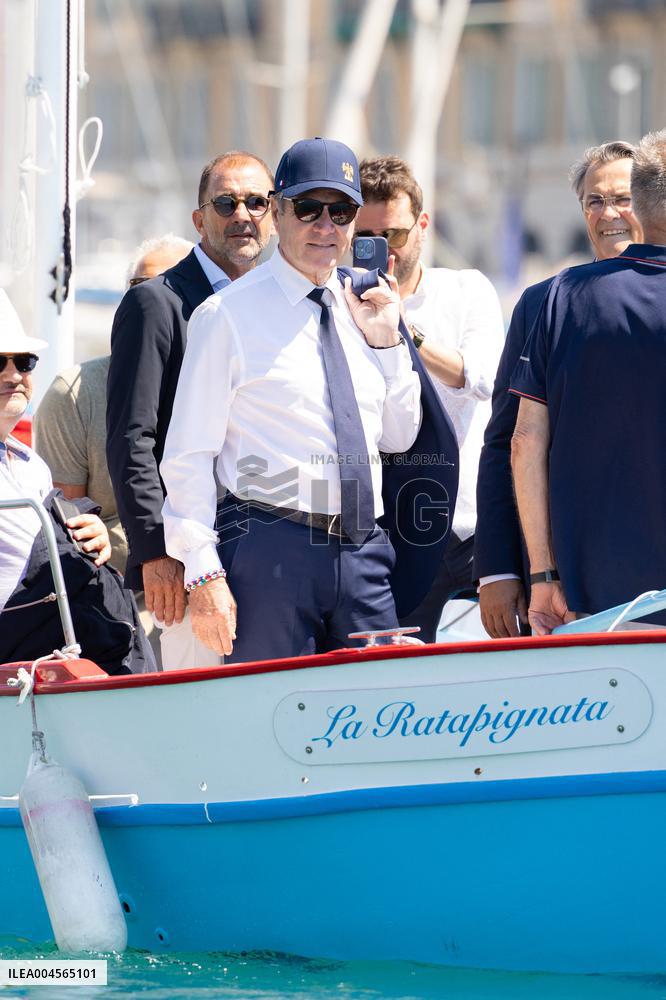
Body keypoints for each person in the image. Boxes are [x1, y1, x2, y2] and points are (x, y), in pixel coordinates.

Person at [160, 136, 423, 663]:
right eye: (308, 208)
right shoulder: (226, 316)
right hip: (268, 547)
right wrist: (204, 571)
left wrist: (389, 342)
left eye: (342, 211)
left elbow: (400, 436)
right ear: (278, 214)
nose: (326, 226)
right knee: (264, 719)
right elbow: (188, 454)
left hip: (363, 550)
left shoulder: (367, 307)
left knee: (380, 714)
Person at [106, 151, 274, 669]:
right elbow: (132, 438)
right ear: (200, 219)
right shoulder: (155, 303)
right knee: (202, 709)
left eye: (256, 202)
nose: (242, 214)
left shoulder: (276, 303)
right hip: (186, 559)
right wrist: (155, 553)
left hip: (269, 550)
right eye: (226, 203)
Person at [474, 140, 643, 638]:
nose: (608, 213)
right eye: (594, 201)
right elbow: (507, 442)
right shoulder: (544, 303)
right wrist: (500, 569)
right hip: (569, 580)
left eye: (624, 198)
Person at [509, 129, 666, 635]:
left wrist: (542, 574)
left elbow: (525, 442)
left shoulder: (560, 298)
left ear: (638, 202)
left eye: (620, 198)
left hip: (592, 598)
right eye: (595, 201)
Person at [355, 155, 504, 642]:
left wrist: (402, 329)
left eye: (393, 236)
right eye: (367, 240)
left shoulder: (466, 289)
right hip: (399, 527)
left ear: (423, 225)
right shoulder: (337, 304)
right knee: (402, 669)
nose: (383, 252)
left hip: (480, 523)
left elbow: (482, 377)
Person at [0, 290, 151, 673]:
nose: (14, 375)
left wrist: (90, 535)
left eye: (24, 361)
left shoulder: (32, 464)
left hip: (44, 656)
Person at [34, 233, 193, 575]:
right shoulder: (76, 395)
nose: (155, 301)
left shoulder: (231, 388)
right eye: (140, 288)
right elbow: (67, 529)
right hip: (118, 596)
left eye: (174, 287)